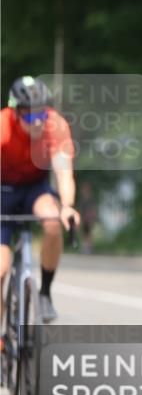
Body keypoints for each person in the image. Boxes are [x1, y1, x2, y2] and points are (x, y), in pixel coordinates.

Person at [0, 76, 80, 323]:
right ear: (15, 113)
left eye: (41, 115)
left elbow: (64, 172)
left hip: (35, 187)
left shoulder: (55, 126)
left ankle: (44, 292)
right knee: (0, 270)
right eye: (30, 117)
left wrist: (67, 206)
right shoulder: (3, 127)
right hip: (2, 191)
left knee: (53, 221)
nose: (37, 123)